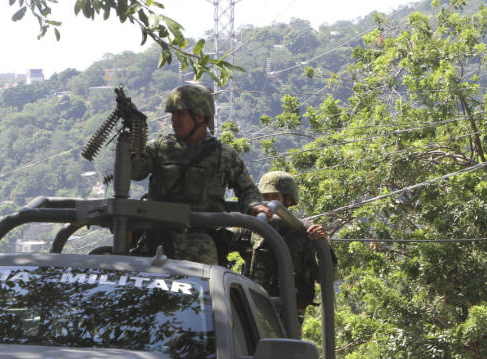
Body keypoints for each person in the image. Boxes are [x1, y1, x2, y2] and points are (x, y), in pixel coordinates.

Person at [129, 82, 271, 264]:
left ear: (200, 116)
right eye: (172, 114)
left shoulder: (223, 155)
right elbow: (136, 172)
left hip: (201, 246)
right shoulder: (159, 148)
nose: (174, 120)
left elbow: (247, 190)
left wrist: (254, 205)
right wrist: (133, 142)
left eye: (180, 113)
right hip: (157, 242)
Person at [248, 171, 336, 319]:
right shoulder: (251, 228)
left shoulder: (303, 232)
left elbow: (326, 277)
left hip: (288, 316)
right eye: (265, 198)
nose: (269, 203)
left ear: (287, 200)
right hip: (252, 309)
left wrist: (324, 244)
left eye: (275, 197)